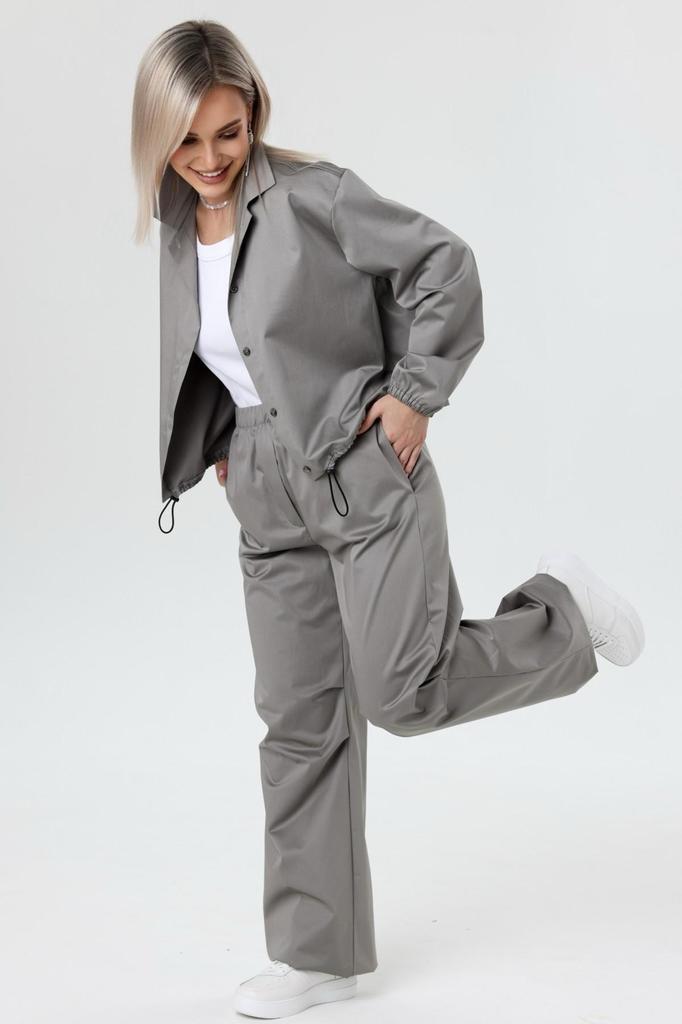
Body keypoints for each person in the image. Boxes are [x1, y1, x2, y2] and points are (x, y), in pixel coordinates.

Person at [131, 19, 645, 1020]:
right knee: (297, 721)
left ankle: (565, 614)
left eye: (228, 132)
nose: (210, 158)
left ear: (253, 112)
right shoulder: (176, 220)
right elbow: (228, 351)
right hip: (264, 491)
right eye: (187, 140)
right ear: (157, 137)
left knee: (403, 692)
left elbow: (445, 265)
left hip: (363, 470)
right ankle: (318, 954)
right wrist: (228, 443)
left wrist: (414, 396)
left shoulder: (313, 197)